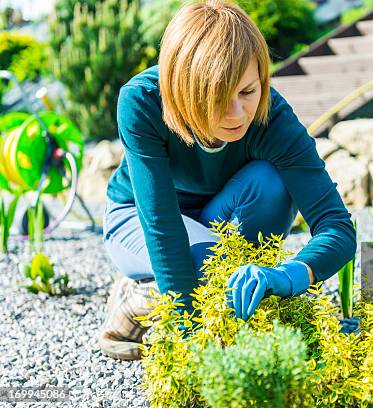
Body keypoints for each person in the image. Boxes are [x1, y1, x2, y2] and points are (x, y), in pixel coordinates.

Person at [98, 0, 357, 360]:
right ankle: (136, 295)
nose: (238, 114)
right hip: (137, 218)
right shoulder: (142, 101)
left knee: (273, 182)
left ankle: (197, 289)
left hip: (215, 215)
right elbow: (162, 225)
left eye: (247, 92)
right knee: (211, 268)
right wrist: (194, 340)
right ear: (183, 89)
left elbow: (338, 228)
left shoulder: (273, 117)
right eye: (218, 97)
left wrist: (283, 276)